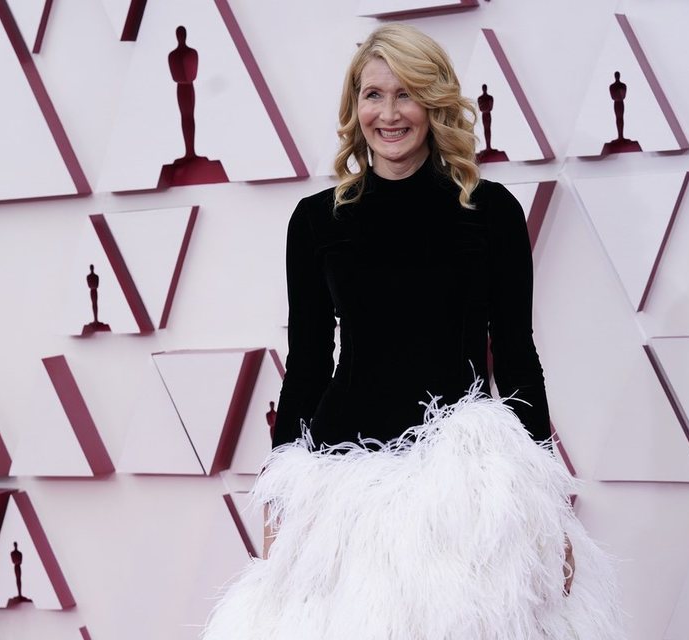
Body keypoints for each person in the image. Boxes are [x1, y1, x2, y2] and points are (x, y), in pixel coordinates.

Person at [202, 23, 621, 640]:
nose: (389, 113)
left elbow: (517, 358)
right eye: (373, 95)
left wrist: (546, 509)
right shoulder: (318, 220)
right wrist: (281, 497)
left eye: (406, 94)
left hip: (465, 489)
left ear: (434, 103)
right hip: (344, 489)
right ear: (354, 107)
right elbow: (309, 366)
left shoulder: (491, 212)